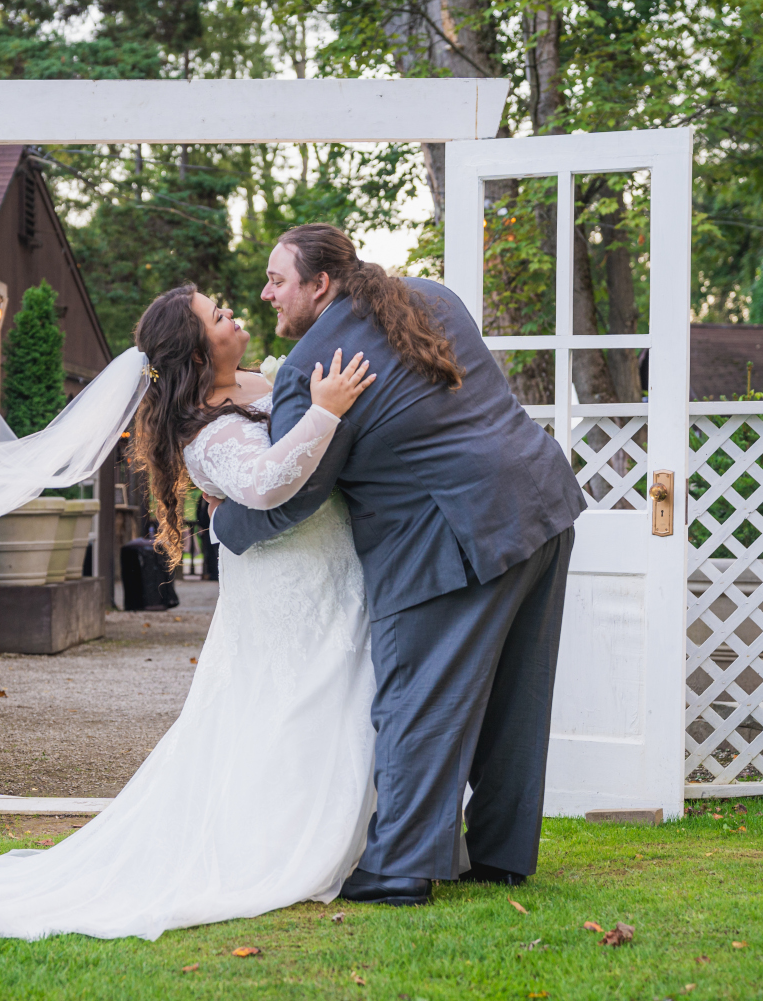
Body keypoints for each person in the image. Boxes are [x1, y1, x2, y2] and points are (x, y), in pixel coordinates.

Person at [0, 283, 381, 940]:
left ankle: (362, 831)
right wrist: (327, 412)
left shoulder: (265, 381)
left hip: (320, 566)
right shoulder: (207, 431)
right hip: (285, 587)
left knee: (322, 694)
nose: (231, 313)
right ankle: (291, 839)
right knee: (293, 702)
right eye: (215, 315)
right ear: (196, 351)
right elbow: (267, 480)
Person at [211, 224, 584, 905]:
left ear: (320, 284)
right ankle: (500, 853)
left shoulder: (309, 369)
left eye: (277, 279)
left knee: (416, 698)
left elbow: (299, 491)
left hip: (451, 533)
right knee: (515, 698)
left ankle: (398, 868)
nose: (265, 292)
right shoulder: (432, 296)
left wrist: (221, 521)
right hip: (540, 498)